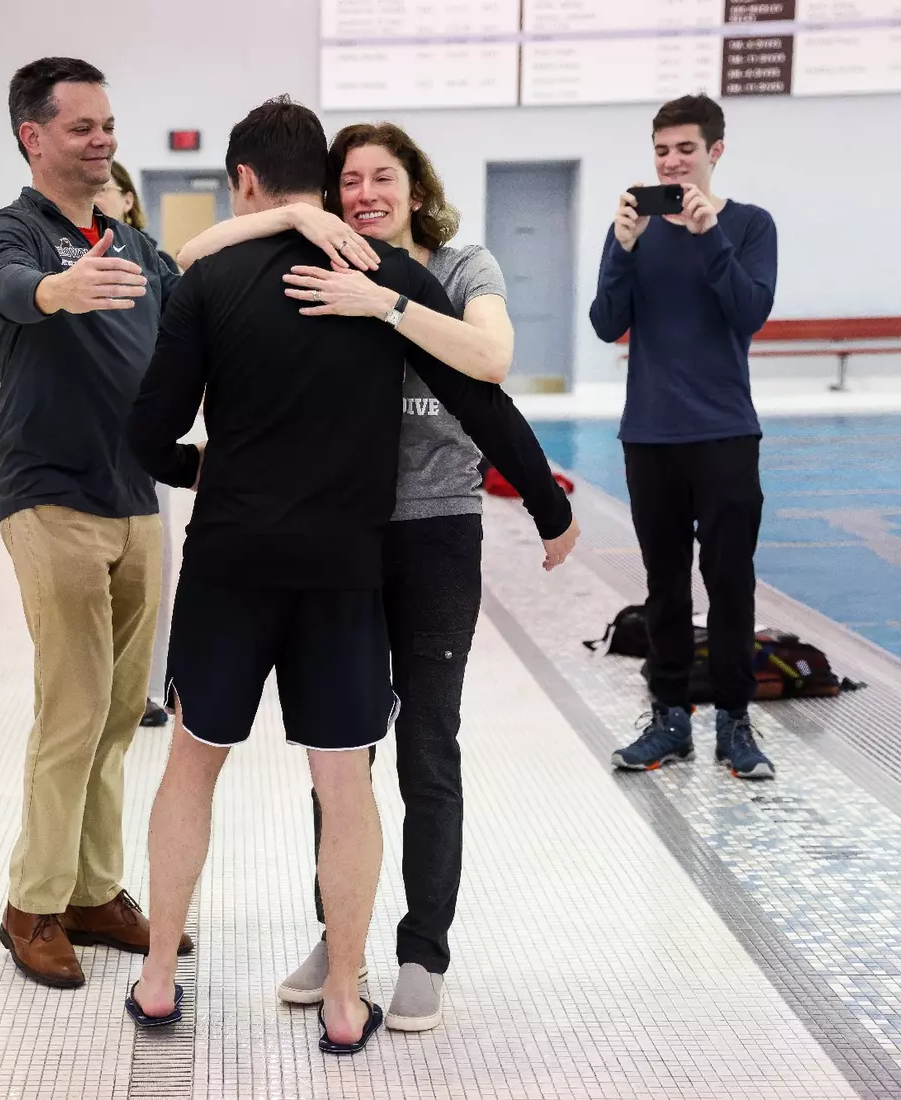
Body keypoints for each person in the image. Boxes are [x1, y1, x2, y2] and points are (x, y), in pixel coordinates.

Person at [125, 97, 573, 1055]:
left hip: (231, 565)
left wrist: (195, 467)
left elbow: (144, 432)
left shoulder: (206, 282)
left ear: (243, 182)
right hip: (343, 572)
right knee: (346, 783)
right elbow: (484, 402)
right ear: (324, 184)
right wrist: (550, 505)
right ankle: (342, 996)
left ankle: (159, 981)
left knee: (191, 768)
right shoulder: (389, 278)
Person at [0, 57, 187, 991]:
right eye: (80, 127)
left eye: (107, 125)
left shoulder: (135, 248)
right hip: (51, 498)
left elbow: (201, 305)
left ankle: (95, 889)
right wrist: (57, 291)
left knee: (115, 715)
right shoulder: (10, 230)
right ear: (33, 135)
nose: (101, 141)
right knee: (71, 708)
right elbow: (17, 287)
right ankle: (33, 903)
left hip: (138, 499)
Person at [588, 94, 777, 781]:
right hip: (650, 436)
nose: (671, 162)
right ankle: (670, 718)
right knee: (664, 584)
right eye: (662, 151)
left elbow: (749, 312)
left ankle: (735, 721)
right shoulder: (632, 230)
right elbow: (607, 323)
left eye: (685, 150)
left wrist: (711, 238)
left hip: (725, 431)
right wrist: (623, 251)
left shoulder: (751, 226)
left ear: (715, 151)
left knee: (730, 582)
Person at [94, 160, 176, 730]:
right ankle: (97, 685)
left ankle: (148, 685)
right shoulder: (64, 258)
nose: (98, 198)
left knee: (152, 576)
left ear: (128, 200)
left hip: (145, 437)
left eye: (108, 189)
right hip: (86, 442)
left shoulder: (150, 259)